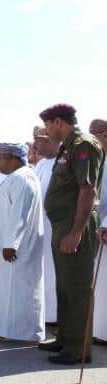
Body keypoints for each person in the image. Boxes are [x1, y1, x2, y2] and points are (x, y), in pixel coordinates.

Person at [40, 104, 104, 364]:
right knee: (64, 286)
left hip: (75, 225)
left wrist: (76, 232)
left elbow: (87, 190)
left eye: (47, 125)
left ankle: (78, 349)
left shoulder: (83, 144)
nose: (45, 131)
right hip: (62, 225)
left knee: (77, 287)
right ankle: (65, 338)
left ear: (57, 122)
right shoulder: (68, 145)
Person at [0, 143, 44, 341]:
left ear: (12, 158)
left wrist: (11, 244)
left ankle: (17, 332)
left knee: (15, 289)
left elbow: (19, 214)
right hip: (2, 244)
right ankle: (3, 328)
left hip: (12, 248)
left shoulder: (23, 178)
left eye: (1, 158)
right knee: (5, 288)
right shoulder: (14, 178)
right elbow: (2, 211)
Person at [33, 126, 60, 324]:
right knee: (43, 273)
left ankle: (56, 317)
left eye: (39, 140)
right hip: (41, 226)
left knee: (55, 273)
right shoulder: (41, 164)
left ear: (50, 140)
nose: (36, 145)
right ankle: (45, 314)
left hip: (57, 227)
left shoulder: (63, 161)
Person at [89, 119, 107, 343]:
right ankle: (100, 330)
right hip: (98, 225)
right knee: (100, 283)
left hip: (104, 226)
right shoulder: (101, 159)